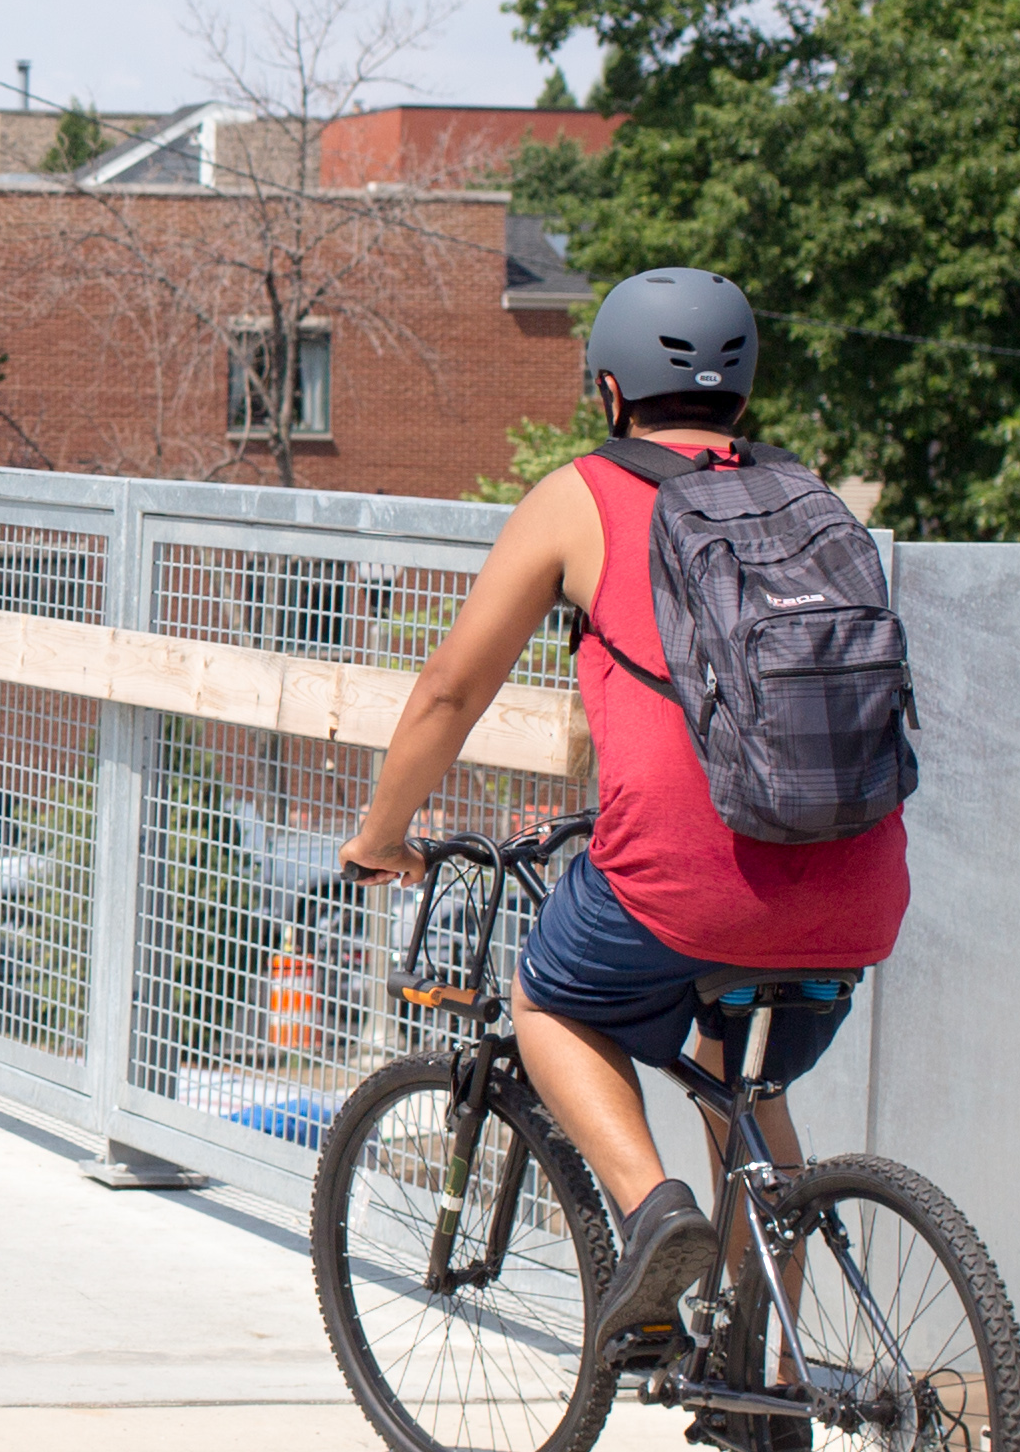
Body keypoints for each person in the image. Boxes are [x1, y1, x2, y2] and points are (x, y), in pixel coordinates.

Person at [337, 268, 908, 1356]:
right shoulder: (812, 499)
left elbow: (452, 688)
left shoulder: (582, 496)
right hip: (858, 883)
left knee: (549, 996)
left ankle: (655, 1215)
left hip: (689, 881)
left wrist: (381, 835)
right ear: (744, 392)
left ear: (611, 390)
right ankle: (772, 1393)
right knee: (745, 1081)